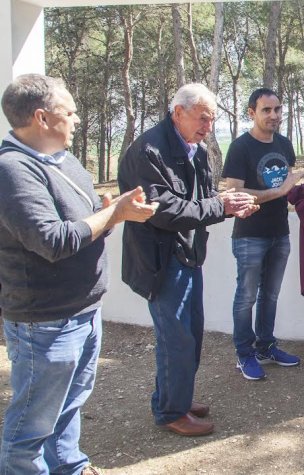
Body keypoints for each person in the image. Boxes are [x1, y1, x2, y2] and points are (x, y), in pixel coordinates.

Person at [0, 74, 157, 474]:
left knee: (69, 403)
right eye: (69, 112)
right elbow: (52, 240)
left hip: (83, 309)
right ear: (42, 118)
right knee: (32, 423)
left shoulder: (63, 161)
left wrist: (113, 214)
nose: (76, 119)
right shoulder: (13, 170)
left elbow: (87, 222)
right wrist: (112, 212)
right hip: (46, 319)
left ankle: (70, 465)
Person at [118, 83, 258, 437]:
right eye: (203, 118)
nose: (208, 127)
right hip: (161, 260)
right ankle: (170, 412)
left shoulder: (195, 150)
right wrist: (219, 206)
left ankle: (175, 397)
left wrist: (231, 206)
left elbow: (205, 198)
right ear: (177, 112)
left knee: (190, 334)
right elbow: (162, 210)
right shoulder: (147, 151)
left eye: (212, 119)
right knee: (175, 338)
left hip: (189, 254)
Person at [222, 88, 304, 380]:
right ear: (251, 113)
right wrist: (277, 192)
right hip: (249, 235)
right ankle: (244, 354)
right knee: (246, 298)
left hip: (279, 232)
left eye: (278, 110)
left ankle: (265, 347)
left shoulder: (284, 144)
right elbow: (234, 192)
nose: (273, 116)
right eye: (266, 110)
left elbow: (288, 186)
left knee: (270, 295)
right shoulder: (240, 147)